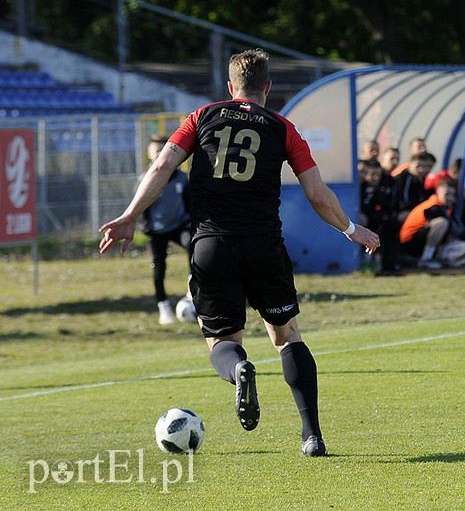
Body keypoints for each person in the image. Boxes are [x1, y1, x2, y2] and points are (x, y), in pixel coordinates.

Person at [99, 48, 380, 457]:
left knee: (221, 340)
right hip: (264, 244)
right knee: (287, 338)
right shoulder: (283, 128)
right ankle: (311, 436)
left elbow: (162, 167)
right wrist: (351, 229)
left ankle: (238, 368)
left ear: (231, 88)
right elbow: (318, 195)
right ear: (268, 87)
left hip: (211, 245)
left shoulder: (201, 117)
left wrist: (129, 215)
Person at [138, 134, 192, 325]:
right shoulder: (146, 179)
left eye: (165, 149)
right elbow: (142, 206)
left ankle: (193, 289)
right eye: (157, 150)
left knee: (195, 246)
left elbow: (189, 203)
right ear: (150, 154)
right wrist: (146, 228)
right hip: (157, 229)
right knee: (159, 267)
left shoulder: (182, 178)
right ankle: (164, 307)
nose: (162, 154)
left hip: (179, 224)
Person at [399, 178, 465, 269]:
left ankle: (441, 258)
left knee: (463, 246)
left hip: (426, 241)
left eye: (452, 195)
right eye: (447, 194)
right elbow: (446, 224)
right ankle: (426, 259)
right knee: (441, 223)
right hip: (411, 242)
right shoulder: (433, 206)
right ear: (438, 192)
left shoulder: (446, 207)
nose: (450, 198)